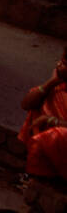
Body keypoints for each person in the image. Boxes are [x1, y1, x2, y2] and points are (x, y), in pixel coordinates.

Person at [19, 46, 67, 191]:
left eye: (64, 63)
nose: (58, 64)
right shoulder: (59, 84)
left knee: (53, 136)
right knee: (37, 100)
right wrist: (51, 83)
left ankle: (40, 177)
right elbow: (26, 104)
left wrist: (50, 120)